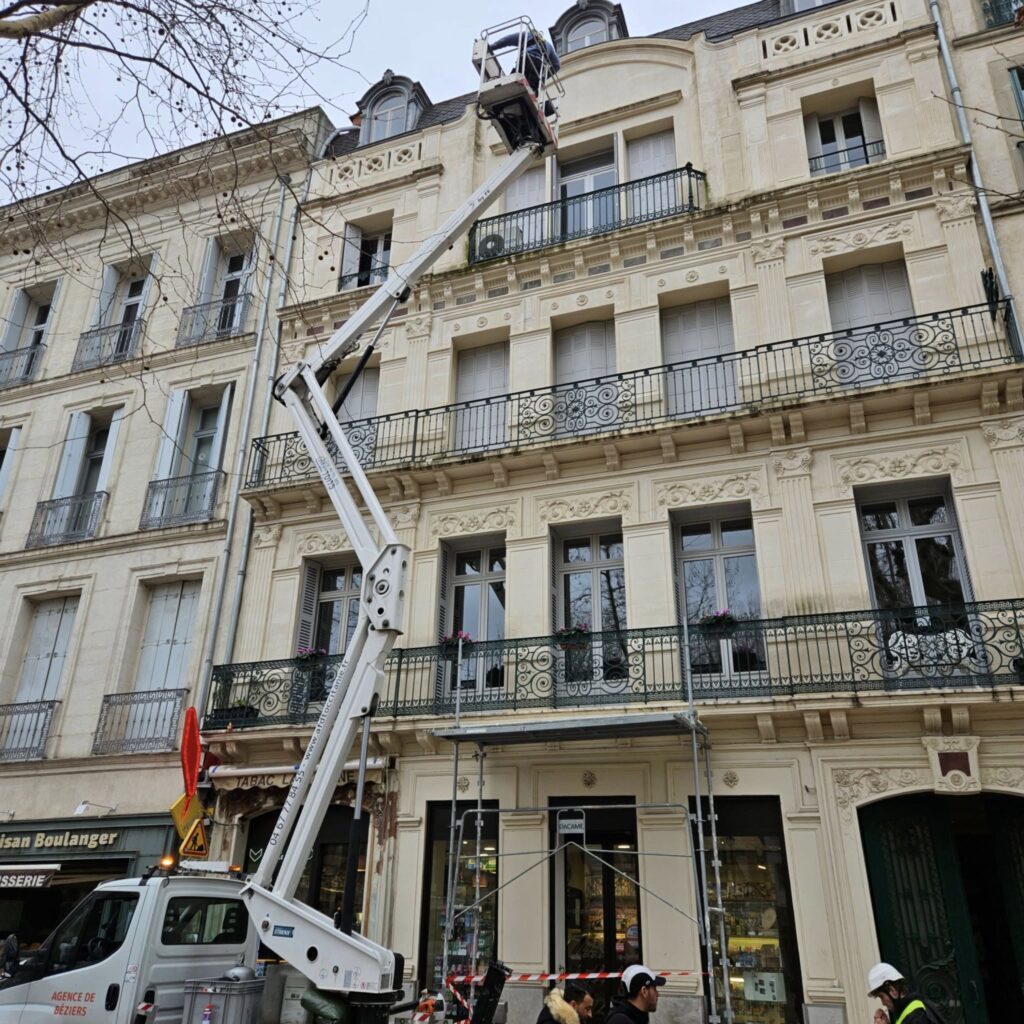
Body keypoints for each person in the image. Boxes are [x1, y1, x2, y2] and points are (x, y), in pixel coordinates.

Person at [867, 963, 946, 1024]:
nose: (883, 1003)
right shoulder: (908, 1013)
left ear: (892, 990)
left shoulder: (915, 1015)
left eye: (881, 996)